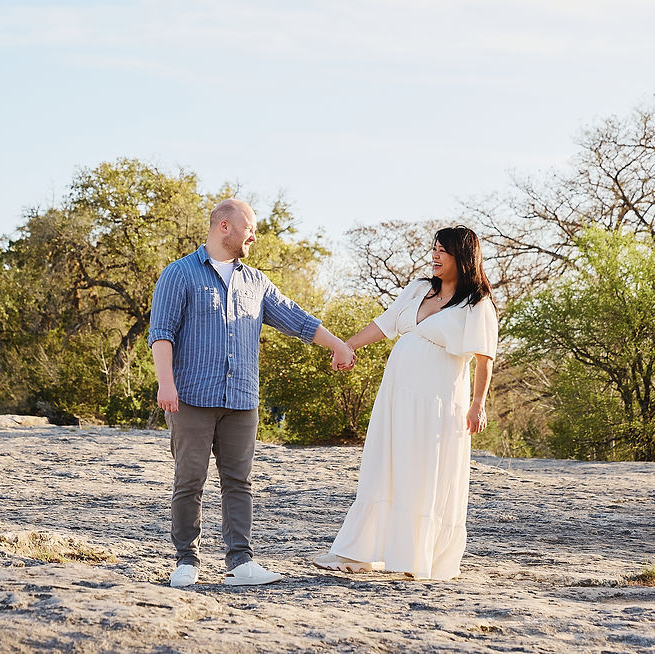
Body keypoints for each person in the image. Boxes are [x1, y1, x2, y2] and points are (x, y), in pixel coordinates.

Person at [149, 198, 355, 587]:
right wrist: (166, 383)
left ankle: (240, 563)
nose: (254, 235)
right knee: (189, 480)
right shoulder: (180, 275)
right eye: (250, 227)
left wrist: (337, 344)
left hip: (242, 400)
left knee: (238, 482)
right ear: (225, 227)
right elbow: (160, 333)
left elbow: (295, 318)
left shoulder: (256, 281)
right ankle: (186, 561)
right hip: (190, 397)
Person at [313, 226, 498, 581]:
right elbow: (383, 325)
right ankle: (358, 553)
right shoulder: (417, 289)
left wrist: (478, 404)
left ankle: (416, 557)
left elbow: (484, 359)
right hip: (397, 395)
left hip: (439, 402)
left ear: (463, 257)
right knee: (384, 464)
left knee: (424, 471)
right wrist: (346, 346)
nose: (435, 255)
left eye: (443, 250)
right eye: (434, 248)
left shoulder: (477, 304)